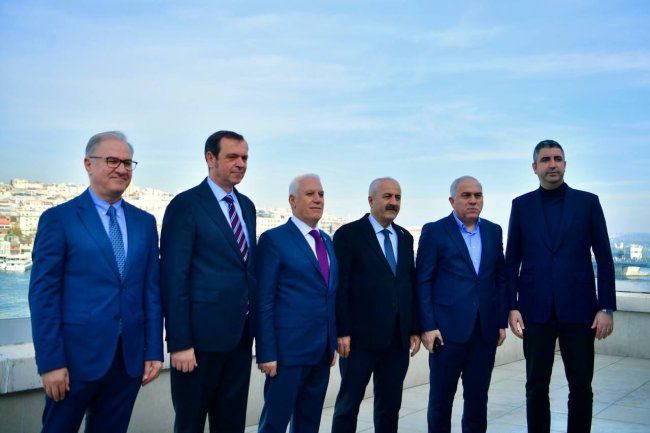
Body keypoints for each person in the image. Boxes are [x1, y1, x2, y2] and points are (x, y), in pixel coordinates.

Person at [28, 131, 163, 433]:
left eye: (127, 163)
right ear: (88, 164)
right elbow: (43, 296)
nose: (122, 169)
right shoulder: (59, 219)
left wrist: (154, 349)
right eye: (112, 160)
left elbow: (151, 292)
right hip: (73, 362)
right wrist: (50, 362)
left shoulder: (144, 223)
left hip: (127, 361)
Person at [506, 140, 616, 433]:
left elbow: (604, 257)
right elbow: (511, 259)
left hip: (580, 310)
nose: (552, 164)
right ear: (535, 167)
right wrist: (511, 306)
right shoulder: (521, 205)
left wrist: (606, 307)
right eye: (545, 160)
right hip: (534, 310)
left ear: (565, 165)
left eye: (557, 158)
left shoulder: (588, 202)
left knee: (581, 386)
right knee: (535, 386)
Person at [161, 130, 256, 433]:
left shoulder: (247, 207)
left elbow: (246, 270)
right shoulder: (185, 205)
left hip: (240, 339)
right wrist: (180, 343)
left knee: (231, 425)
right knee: (190, 424)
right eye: (233, 157)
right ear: (210, 158)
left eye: (245, 158)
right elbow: (174, 277)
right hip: (198, 346)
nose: (241, 164)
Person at [416, 176, 507, 433]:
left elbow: (500, 279)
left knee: (478, 402)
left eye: (478, 195)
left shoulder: (493, 231)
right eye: (466, 195)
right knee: (441, 401)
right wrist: (428, 326)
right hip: (446, 334)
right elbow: (423, 281)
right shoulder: (435, 231)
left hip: (484, 332)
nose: (473, 200)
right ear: (452, 200)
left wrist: (500, 321)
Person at [331, 177, 421, 433]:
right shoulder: (348, 235)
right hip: (359, 341)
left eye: (398, 197)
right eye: (387, 196)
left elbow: (409, 284)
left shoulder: (405, 238)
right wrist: (341, 331)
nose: (394, 202)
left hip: (397, 340)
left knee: (389, 407)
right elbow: (340, 286)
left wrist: (414, 327)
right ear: (371, 200)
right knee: (348, 405)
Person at [254, 174, 338, 433]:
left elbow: (329, 295)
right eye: (310, 194)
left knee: (309, 424)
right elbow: (263, 301)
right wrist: (266, 352)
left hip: (321, 353)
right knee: (274, 424)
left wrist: (331, 341)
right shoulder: (274, 239)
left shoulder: (327, 241)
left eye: (321, 194)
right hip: (286, 355)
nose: (318, 199)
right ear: (292, 200)